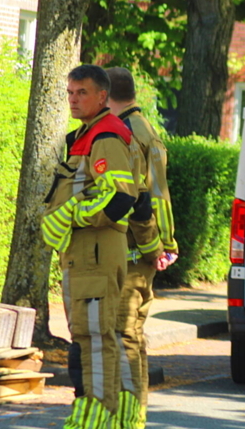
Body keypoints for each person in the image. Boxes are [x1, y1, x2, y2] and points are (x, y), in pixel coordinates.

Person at [41, 64, 157, 429]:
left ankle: (95, 419)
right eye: (70, 93)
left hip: (94, 251)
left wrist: (74, 214)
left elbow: (122, 199)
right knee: (97, 335)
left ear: (103, 96)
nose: (74, 100)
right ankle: (115, 418)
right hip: (86, 253)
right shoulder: (91, 133)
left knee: (94, 338)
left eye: (83, 93)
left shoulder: (105, 136)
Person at [105, 67, 178, 429]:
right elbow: (160, 194)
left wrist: (153, 246)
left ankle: (129, 419)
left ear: (105, 95)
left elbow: (138, 199)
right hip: (143, 253)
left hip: (131, 253)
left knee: (124, 336)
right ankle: (132, 416)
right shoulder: (147, 129)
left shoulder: (124, 135)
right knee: (131, 334)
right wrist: (167, 241)